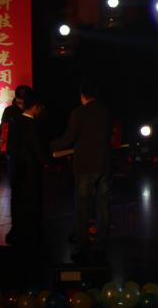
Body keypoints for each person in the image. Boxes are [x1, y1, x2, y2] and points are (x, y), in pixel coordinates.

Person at [51, 80, 114, 261]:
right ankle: (101, 245)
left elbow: (69, 138)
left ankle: (82, 247)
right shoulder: (106, 111)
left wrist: (50, 145)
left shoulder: (78, 112)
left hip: (85, 165)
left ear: (82, 95)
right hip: (104, 164)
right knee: (103, 207)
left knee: (82, 207)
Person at [9, 91, 49, 255]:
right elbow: (37, 149)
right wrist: (47, 161)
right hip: (31, 171)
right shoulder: (33, 125)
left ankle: (18, 233)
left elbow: (10, 147)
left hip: (17, 169)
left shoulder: (15, 122)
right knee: (33, 202)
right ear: (35, 107)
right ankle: (33, 236)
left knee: (18, 201)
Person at [0, 84, 32, 245]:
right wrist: (4, 149)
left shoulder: (32, 110)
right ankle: (16, 227)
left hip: (29, 157)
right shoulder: (9, 111)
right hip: (14, 157)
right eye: (19, 100)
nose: (21, 103)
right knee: (16, 192)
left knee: (29, 193)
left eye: (24, 100)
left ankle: (29, 226)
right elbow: (2, 131)